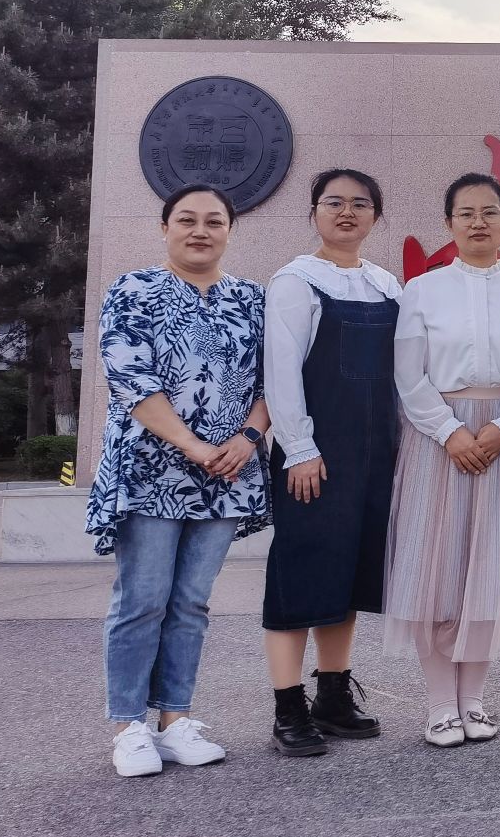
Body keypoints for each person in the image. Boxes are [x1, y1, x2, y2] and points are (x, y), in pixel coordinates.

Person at [90, 185, 270, 777]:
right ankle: (129, 726)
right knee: (143, 599)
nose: (200, 230)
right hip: (152, 471)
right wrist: (194, 446)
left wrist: (247, 438)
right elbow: (130, 378)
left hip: (228, 473)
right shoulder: (134, 290)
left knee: (191, 601)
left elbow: (275, 380)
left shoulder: (252, 299)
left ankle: (175, 720)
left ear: (230, 230)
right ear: (164, 227)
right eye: (187, 220)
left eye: (214, 221)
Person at [384, 173, 500, 747]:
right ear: (449, 223)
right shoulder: (422, 291)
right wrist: (450, 432)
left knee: (489, 569)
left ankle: (473, 700)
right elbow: (409, 375)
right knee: (436, 569)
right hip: (436, 439)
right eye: (466, 213)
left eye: (490, 212)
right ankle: (439, 706)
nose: (479, 222)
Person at [262, 168, 401, 758]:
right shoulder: (295, 281)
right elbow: (281, 371)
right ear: (314, 212)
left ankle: (334, 697)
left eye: (360, 204)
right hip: (316, 455)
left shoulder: (386, 284)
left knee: (348, 574)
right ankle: (288, 707)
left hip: (377, 454)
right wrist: (298, 448)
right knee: (300, 575)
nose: (347, 212)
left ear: (375, 216)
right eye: (334, 202)